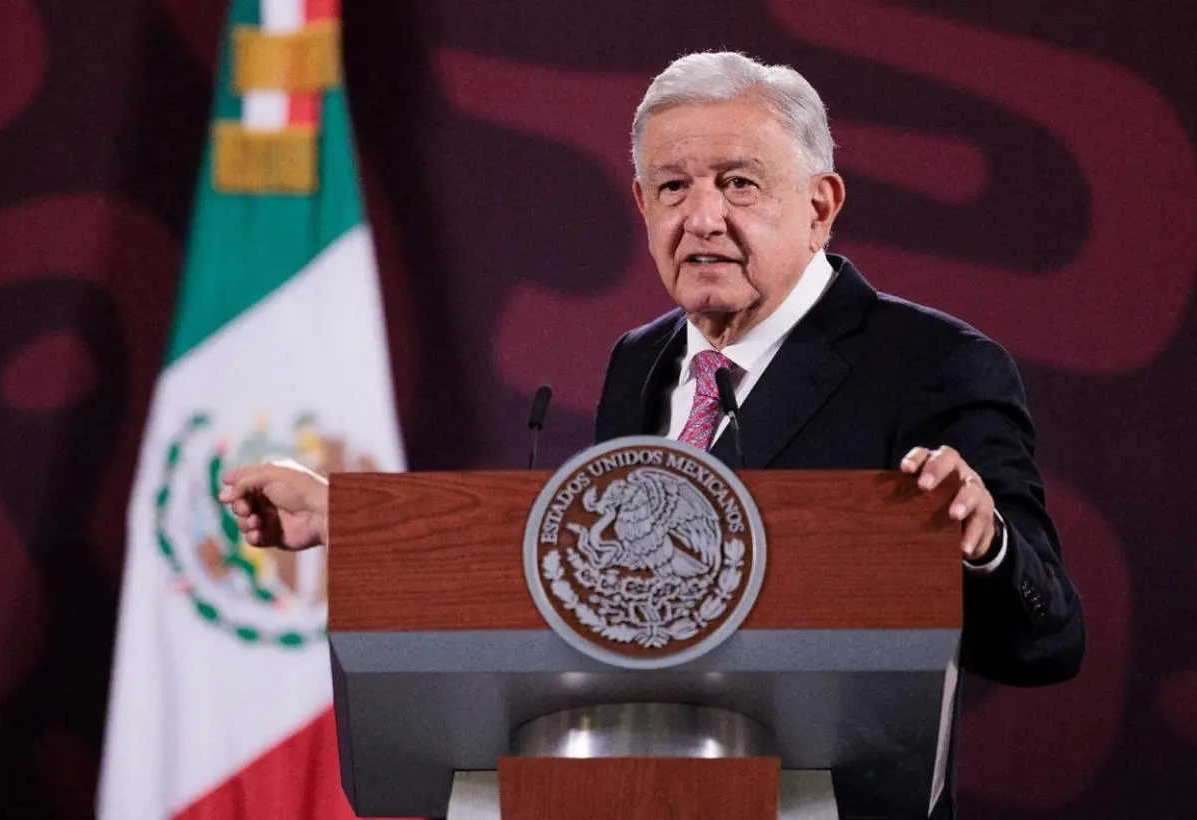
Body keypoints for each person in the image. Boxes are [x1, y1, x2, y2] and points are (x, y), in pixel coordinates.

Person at [220, 51, 1084, 818]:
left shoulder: (934, 363)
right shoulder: (641, 363)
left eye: (738, 183)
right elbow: (583, 578)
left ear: (820, 205)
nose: (701, 217)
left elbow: (1049, 641)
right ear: (641, 202)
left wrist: (984, 544)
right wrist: (349, 517)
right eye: (673, 187)